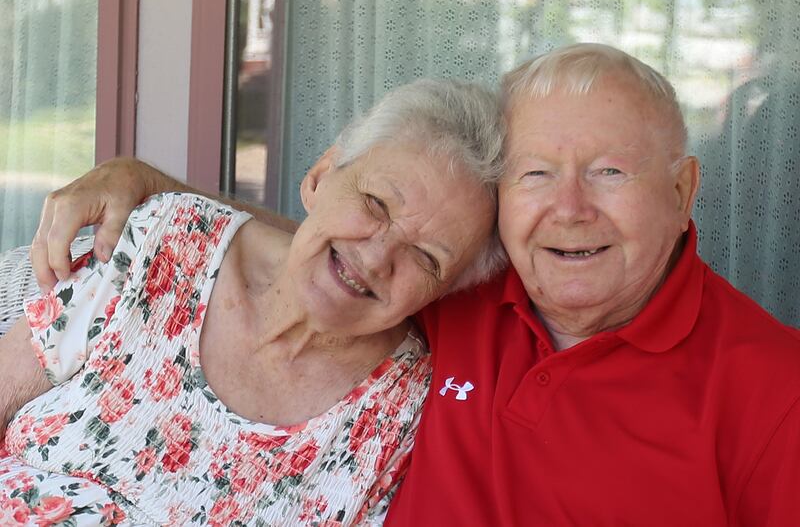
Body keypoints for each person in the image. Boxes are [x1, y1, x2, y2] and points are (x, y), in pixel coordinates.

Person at [25, 44, 800, 525]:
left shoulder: (774, 389)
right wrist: (147, 186)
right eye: (537, 173)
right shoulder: (469, 294)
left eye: (610, 172)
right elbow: (339, 241)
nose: (569, 208)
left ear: (683, 189)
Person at [0, 78, 506, 525]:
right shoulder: (167, 241)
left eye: (425, 257)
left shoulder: (402, 416)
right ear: (321, 176)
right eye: (374, 204)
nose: (376, 258)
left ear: (446, 293)